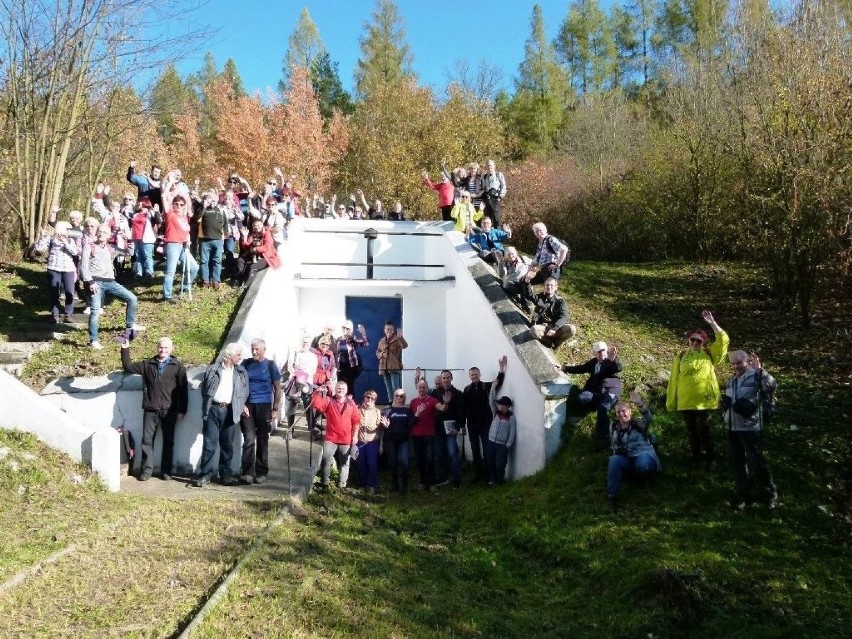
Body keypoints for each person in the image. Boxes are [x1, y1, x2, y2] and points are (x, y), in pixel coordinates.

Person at [666, 310, 729, 466]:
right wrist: (672, 401)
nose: (694, 343)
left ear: (703, 343)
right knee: (691, 431)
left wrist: (713, 323)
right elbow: (674, 379)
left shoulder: (709, 354)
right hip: (685, 401)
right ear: (688, 340)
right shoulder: (681, 356)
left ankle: (709, 458)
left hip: (704, 401)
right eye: (692, 340)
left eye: (698, 341)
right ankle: (696, 457)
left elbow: (723, 340)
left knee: (704, 431)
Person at [120, 336, 188, 481]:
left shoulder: (178, 366)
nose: (163, 350)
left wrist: (182, 410)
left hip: (169, 410)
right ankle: (146, 470)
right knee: (147, 440)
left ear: (171, 349)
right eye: (160, 347)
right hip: (150, 409)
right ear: (157, 348)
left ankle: (166, 471)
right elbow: (128, 367)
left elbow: (183, 390)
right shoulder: (147, 364)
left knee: (169, 441)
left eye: (166, 348)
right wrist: (125, 348)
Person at [722, 351, 778, 510]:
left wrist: (760, 370)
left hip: (750, 428)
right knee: (737, 463)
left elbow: (772, 386)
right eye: (733, 363)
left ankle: (770, 495)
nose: (736, 366)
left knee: (757, 463)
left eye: (739, 363)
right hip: (732, 428)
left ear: (747, 361)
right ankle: (743, 496)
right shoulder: (732, 380)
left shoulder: (756, 376)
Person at [81, 223, 144, 350]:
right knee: (95, 311)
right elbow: (83, 267)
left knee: (132, 298)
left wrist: (129, 239)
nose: (101, 234)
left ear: (109, 235)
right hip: (96, 282)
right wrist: (90, 282)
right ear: (96, 233)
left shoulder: (111, 248)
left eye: (104, 232)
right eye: (99, 231)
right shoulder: (89, 247)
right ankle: (93, 340)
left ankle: (130, 325)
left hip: (111, 282)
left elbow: (130, 253)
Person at [194, 342, 249, 487]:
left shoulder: (241, 372)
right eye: (238, 355)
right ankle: (205, 475)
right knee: (209, 444)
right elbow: (205, 389)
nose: (240, 357)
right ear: (229, 355)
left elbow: (244, 391)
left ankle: (225, 475)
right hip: (213, 409)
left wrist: (241, 405)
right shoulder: (213, 369)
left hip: (231, 410)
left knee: (227, 445)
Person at [560, 342, 623, 444]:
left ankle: (604, 436)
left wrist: (612, 360)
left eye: (604, 351)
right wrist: (564, 368)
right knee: (581, 398)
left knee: (603, 408)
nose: (602, 354)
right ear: (595, 353)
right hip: (595, 392)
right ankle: (587, 410)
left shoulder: (612, 360)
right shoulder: (593, 362)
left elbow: (618, 367)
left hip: (610, 391)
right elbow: (581, 368)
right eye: (599, 352)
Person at [607, 392, 660, 510]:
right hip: (626, 459)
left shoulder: (638, 423)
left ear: (630, 411)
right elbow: (613, 444)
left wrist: (640, 404)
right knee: (614, 460)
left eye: (624, 411)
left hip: (644, 455)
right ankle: (613, 497)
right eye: (618, 412)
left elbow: (649, 417)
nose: (621, 414)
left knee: (642, 464)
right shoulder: (613, 427)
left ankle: (646, 480)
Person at [239, 338, 282, 484]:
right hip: (247, 406)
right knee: (249, 438)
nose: (254, 351)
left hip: (264, 405)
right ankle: (247, 473)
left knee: (263, 439)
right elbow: (238, 383)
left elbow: (277, 388)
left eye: (257, 349)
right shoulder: (246, 363)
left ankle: (261, 472)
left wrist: (275, 408)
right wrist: (241, 404)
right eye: (252, 348)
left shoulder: (270, 365)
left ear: (264, 349)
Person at [463, 357, 507, 483]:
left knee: (487, 450)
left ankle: (489, 476)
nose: (474, 376)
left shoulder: (487, 386)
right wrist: (463, 424)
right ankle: (478, 474)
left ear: (480, 374)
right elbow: (464, 407)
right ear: (469, 376)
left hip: (485, 424)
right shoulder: (466, 390)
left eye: (476, 374)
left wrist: (501, 369)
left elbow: (498, 382)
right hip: (471, 424)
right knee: (475, 450)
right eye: (472, 375)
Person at [311, 381, 360, 491]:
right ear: (335, 389)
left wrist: (355, 436)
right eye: (338, 388)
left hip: (346, 439)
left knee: (344, 463)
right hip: (331, 438)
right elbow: (316, 404)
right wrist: (317, 393)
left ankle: (342, 485)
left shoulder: (352, 404)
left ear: (346, 391)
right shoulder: (329, 401)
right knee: (325, 460)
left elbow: (356, 421)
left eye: (343, 389)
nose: (340, 390)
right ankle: (325, 484)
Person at [34, 221, 78, 324]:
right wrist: (43, 237)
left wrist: (65, 242)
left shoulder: (71, 240)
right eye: (68, 229)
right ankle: (55, 315)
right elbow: (39, 249)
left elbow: (75, 252)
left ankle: (68, 315)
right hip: (53, 269)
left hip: (68, 269)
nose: (69, 231)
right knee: (54, 292)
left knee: (69, 292)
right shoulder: (51, 239)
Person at [162, 193, 199, 304]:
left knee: (194, 267)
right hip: (173, 244)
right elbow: (164, 196)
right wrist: (169, 183)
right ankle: (167, 296)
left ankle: (185, 287)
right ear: (173, 205)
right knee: (170, 272)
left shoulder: (184, 218)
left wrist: (188, 239)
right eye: (176, 204)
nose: (179, 206)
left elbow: (186, 231)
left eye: (181, 205)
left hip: (183, 246)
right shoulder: (170, 214)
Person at [410, 379, 443, 492]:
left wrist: (446, 403)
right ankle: (423, 482)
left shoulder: (433, 400)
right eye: (420, 387)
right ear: (417, 388)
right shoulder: (413, 402)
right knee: (420, 460)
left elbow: (441, 408)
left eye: (424, 387)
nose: (422, 389)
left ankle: (432, 483)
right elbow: (411, 420)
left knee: (430, 459)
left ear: (427, 388)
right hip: (416, 435)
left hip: (429, 434)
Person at [435, 369, 465, 488]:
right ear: (441, 380)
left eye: (448, 377)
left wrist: (457, 427)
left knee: (452, 454)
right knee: (440, 454)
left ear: (451, 379)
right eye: (444, 378)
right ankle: (444, 477)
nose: (446, 380)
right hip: (438, 429)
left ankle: (457, 479)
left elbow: (461, 412)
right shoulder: (436, 393)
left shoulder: (458, 394)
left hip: (451, 430)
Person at [530, 277, 576, 349]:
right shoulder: (540, 297)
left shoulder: (560, 301)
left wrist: (555, 328)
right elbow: (528, 295)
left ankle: (557, 344)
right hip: (543, 327)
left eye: (551, 285)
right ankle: (548, 342)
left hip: (556, 328)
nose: (549, 287)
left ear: (556, 287)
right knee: (534, 330)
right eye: (547, 285)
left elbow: (564, 317)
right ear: (544, 286)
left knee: (572, 329)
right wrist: (526, 281)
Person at [383, 388, 415, 493]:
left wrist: (417, 415)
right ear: (394, 396)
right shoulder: (388, 409)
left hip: (404, 440)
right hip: (391, 440)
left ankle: (404, 486)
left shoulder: (407, 410)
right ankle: (395, 485)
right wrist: (385, 425)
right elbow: (384, 424)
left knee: (405, 463)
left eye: (401, 396)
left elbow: (410, 424)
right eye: (397, 395)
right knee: (393, 463)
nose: (399, 398)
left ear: (404, 398)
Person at [197, 189, 228, 289]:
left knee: (217, 261)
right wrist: (204, 207)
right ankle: (205, 280)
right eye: (210, 200)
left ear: (217, 200)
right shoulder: (203, 210)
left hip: (218, 240)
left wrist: (226, 233)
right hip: (205, 240)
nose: (212, 202)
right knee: (204, 261)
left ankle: (216, 280)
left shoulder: (221, 211)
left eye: (214, 200)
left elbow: (226, 225)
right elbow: (197, 219)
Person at [236, 217, 280, 286]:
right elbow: (246, 246)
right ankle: (238, 279)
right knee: (240, 260)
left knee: (253, 266)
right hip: (255, 256)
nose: (257, 227)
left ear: (262, 225)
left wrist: (255, 249)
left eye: (258, 225)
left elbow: (266, 247)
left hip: (267, 257)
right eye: (255, 226)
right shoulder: (253, 234)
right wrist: (245, 236)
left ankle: (246, 286)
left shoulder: (267, 233)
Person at [487, 386, 516, 486]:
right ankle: (492, 479)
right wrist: (492, 389)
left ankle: (498, 482)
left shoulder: (511, 417)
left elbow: (512, 432)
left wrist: (508, 445)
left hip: (502, 445)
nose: (498, 405)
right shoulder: (495, 412)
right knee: (491, 462)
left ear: (506, 406)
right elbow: (491, 401)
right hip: (491, 442)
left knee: (500, 465)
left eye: (500, 404)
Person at [356, 390, 383, 494]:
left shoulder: (377, 412)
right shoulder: (357, 409)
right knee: (361, 464)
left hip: (373, 442)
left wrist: (381, 444)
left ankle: (373, 485)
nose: (369, 400)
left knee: (372, 464)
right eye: (368, 397)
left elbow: (380, 429)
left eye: (372, 398)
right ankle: (362, 485)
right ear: (364, 397)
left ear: (375, 400)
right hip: (360, 441)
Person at [376, 321, 408, 400]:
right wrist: (382, 354)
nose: (389, 331)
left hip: (394, 367)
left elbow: (405, 346)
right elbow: (377, 353)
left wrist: (401, 337)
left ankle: (398, 403)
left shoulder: (397, 339)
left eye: (391, 329)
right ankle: (391, 403)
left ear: (393, 331)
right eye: (387, 329)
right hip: (384, 367)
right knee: (388, 387)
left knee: (396, 387)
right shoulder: (381, 341)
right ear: (384, 330)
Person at [336, 320, 368, 395]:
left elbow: (365, 343)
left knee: (349, 386)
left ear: (350, 330)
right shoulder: (338, 339)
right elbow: (336, 353)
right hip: (340, 367)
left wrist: (363, 333)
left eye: (347, 328)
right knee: (340, 386)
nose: (345, 330)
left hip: (350, 367)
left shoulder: (352, 339)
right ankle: (341, 404)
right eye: (343, 327)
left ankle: (350, 404)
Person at [129, 198, 157, 282]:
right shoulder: (135, 214)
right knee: (138, 256)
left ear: (145, 203)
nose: (138, 204)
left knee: (147, 256)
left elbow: (157, 220)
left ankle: (149, 272)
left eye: (140, 202)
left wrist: (156, 212)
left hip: (146, 238)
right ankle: (139, 272)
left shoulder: (149, 214)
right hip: (136, 237)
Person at [501, 246, 534, 311]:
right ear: (506, 256)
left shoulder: (523, 259)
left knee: (525, 287)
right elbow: (501, 275)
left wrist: (530, 272)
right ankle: (522, 299)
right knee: (506, 285)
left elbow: (534, 264)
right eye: (509, 254)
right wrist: (500, 263)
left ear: (516, 253)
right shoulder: (505, 264)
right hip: (514, 284)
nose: (511, 256)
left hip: (525, 282)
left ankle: (526, 303)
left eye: (512, 253)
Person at [480, 159, 507, 226]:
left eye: (490, 165)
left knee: (496, 219)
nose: (489, 167)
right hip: (487, 199)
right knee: (487, 219)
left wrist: (500, 197)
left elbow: (503, 186)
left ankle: (497, 234)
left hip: (495, 199)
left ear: (494, 166)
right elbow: (483, 188)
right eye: (488, 166)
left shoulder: (499, 175)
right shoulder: (484, 176)